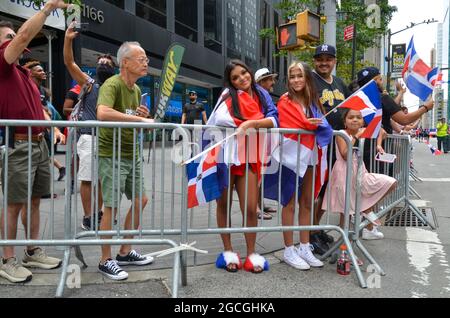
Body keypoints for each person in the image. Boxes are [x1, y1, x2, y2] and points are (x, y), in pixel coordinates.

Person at [0, 0, 69, 284]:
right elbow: (25, 36)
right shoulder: (2, 65)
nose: (14, 40)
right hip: (17, 145)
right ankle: (7, 261)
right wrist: (47, 8)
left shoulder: (23, 73)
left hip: (38, 144)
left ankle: (32, 250)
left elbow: (37, 107)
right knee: (14, 204)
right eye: (7, 36)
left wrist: (50, 129)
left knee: (35, 201)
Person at [210, 60, 278, 274]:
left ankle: (251, 254)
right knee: (224, 205)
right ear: (230, 82)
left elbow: (274, 119)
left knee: (250, 207)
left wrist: (251, 124)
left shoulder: (261, 93)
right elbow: (217, 120)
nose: (242, 79)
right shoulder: (226, 96)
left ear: (249, 72)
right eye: (235, 78)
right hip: (225, 156)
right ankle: (229, 252)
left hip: (249, 155)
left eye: (243, 73)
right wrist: (244, 123)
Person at [96, 41, 155, 280]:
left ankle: (125, 251)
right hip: (112, 153)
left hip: (132, 152)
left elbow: (131, 118)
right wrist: (140, 121)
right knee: (111, 205)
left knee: (141, 199)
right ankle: (105, 260)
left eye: (146, 59)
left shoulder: (137, 91)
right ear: (125, 63)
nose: (145, 63)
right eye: (141, 59)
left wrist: (142, 116)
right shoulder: (112, 84)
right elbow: (103, 112)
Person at [266, 62, 333, 270]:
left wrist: (317, 125)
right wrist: (308, 126)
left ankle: (304, 246)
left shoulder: (314, 103)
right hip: (290, 157)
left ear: (307, 79)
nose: (296, 80)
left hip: (311, 155)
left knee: (306, 202)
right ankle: (288, 249)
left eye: (300, 76)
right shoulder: (285, 101)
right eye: (292, 76)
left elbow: (324, 127)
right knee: (290, 204)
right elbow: (287, 126)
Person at [64, 22, 117, 231]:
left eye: (107, 62)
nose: (103, 64)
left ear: (113, 69)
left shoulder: (116, 88)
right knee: (87, 179)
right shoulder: (89, 83)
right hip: (88, 137)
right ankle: (88, 216)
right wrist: (68, 39)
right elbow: (69, 62)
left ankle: (99, 213)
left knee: (103, 180)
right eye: (101, 62)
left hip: (108, 140)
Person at [322, 109, 397, 240]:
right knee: (345, 214)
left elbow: (381, 130)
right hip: (344, 173)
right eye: (351, 117)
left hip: (360, 172)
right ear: (345, 121)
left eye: (358, 117)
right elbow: (345, 154)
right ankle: (344, 248)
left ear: (363, 121)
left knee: (391, 182)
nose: (355, 120)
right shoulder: (342, 133)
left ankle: (364, 208)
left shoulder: (364, 130)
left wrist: (379, 145)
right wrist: (356, 136)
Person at [311, 44, 351, 255]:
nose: (324, 62)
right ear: (314, 61)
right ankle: (309, 233)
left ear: (335, 61)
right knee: (315, 190)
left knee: (327, 188)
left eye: (328, 58)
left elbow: (348, 111)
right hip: (318, 145)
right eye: (320, 58)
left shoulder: (339, 83)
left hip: (337, 145)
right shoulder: (309, 80)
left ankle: (315, 228)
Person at [356, 67, 434, 171]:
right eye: (380, 79)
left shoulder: (356, 98)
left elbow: (392, 107)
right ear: (374, 82)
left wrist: (401, 93)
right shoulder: (382, 98)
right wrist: (425, 108)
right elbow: (404, 119)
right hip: (379, 149)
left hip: (358, 148)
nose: (381, 81)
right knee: (382, 182)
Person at [23, 60, 66, 182]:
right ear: (31, 74)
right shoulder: (27, 87)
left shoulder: (42, 90)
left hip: (43, 129)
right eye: (39, 70)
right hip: (27, 132)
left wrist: (53, 127)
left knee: (44, 155)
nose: (43, 72)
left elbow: (43, 109)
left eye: (43, 70)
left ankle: (42, 187)